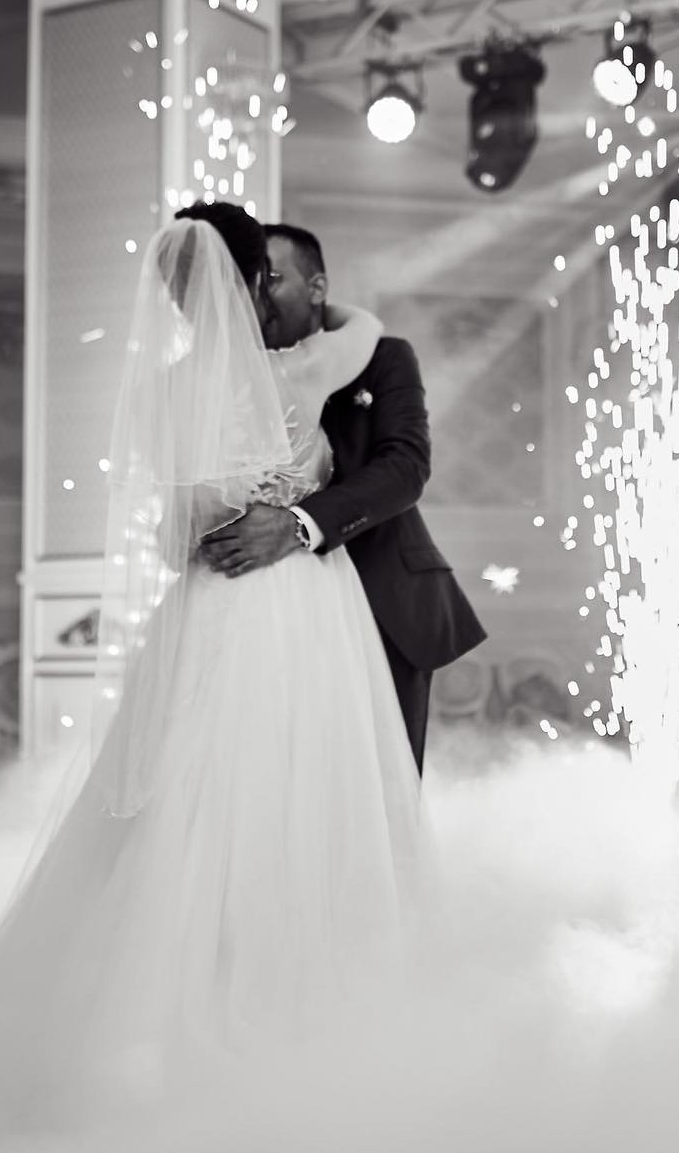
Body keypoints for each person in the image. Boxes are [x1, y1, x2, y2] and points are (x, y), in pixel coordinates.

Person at [0, 203, 426, 1100]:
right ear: (254, 278)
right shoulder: (302, 368)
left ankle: (162, 990)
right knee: (298, 780)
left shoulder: (159, 391)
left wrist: (219, 525)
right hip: (301, 601)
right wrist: (319, 306)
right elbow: (365, 326)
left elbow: (171, 543)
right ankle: (290, 992)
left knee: (194, 781)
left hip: (205, 598)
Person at [201, 222, 486, 772]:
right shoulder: (226, 374)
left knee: (380, 785)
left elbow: (405, 466)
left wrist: (297, 524)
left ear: (316, 288)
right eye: (249, 280)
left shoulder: (383, 357)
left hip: (380, 594)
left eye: (272, 278)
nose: (258, 295)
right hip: (262, 608)